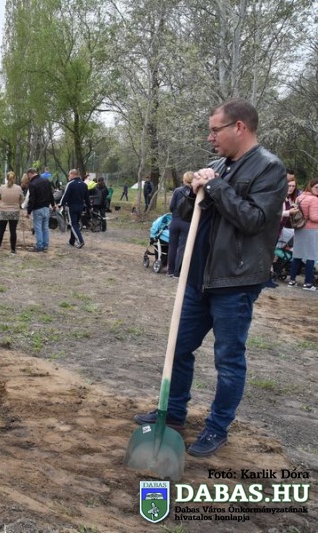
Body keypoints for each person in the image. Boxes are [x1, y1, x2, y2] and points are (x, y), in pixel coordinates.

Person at [133, 98, 287, 457]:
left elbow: (253, 220)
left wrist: (216, 188)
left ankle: (217, 427)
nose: (210, 137)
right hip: (198, 275)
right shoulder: (217, 166)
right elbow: (186, 212)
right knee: (178, 347)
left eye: (215, 130)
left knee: (228, 359)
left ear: (239, 127)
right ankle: (173, 413)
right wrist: (192, 192)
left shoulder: (269, 169)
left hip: (235, 280)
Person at [286, 179, 318, 290]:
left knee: (297, 255)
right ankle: (308, 283)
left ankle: (292, 281)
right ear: (311, 187)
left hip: (299, 228)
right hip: (311, 230)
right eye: (316, 187)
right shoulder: (314, 199)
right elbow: (314, 217)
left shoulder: (300, 197)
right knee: (311, 256)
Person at [166, 171, 194, 277]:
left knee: (172, 246)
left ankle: (170, 270)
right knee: (182, 248)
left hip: (175, 221)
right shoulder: (195, 193)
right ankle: (177, 272)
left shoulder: (177, 191)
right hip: (187, 222)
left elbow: (171, 206)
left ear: (184, 179)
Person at [0, 171, 24, 255]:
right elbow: (21, 199)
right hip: (14, 211)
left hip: (3, 210)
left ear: (6, 178)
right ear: (14, 178)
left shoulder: (2, 187)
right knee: (13, 230)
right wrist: (18, 204)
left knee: (1, 230)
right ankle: (13, 250)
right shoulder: (18, 188)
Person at [26, 167, 54, 252]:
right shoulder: (46, 181)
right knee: (45, 228)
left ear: (30, 173)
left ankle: (39, 246)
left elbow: (32, 199)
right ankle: (45, 245)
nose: (28, 177)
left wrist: (28, 211)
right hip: (46, 207)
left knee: (38, 228)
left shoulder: (32, 184)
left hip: (37, 208)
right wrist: (53, 204)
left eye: (28, 175)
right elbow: (50, 194)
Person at [59, 169, 89, 248]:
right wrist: (90, 207)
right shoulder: (84, 185)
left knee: (73, 224)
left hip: (72, 207)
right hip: (80, 207)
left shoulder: (70, 184)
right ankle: (71, 241)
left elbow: (65, 196)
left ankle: (80, 240)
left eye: (69, 175)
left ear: (73, 174)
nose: (69, 176)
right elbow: (87, 198)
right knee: (75, 223)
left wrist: (60, 204)